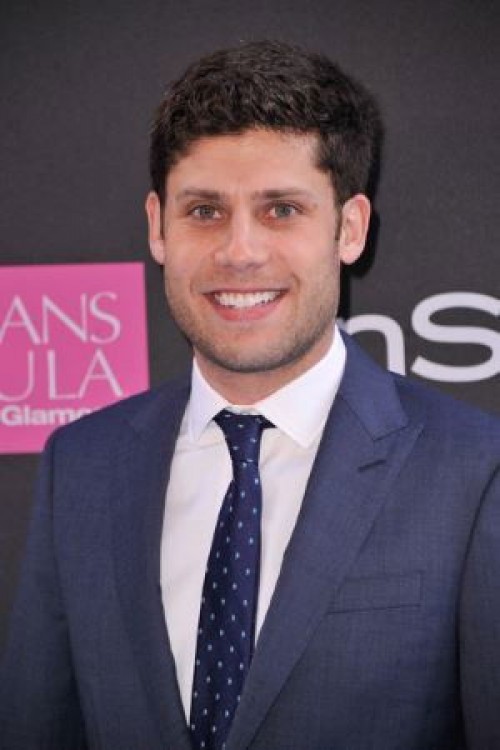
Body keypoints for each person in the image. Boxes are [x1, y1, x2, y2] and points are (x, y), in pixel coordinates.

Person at [1, 40, 499, 750]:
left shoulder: (474, 473)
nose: (239, 251)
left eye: (282, 210)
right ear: (158, 226)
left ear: (350, 228)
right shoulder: (80, 465)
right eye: (205, 211)